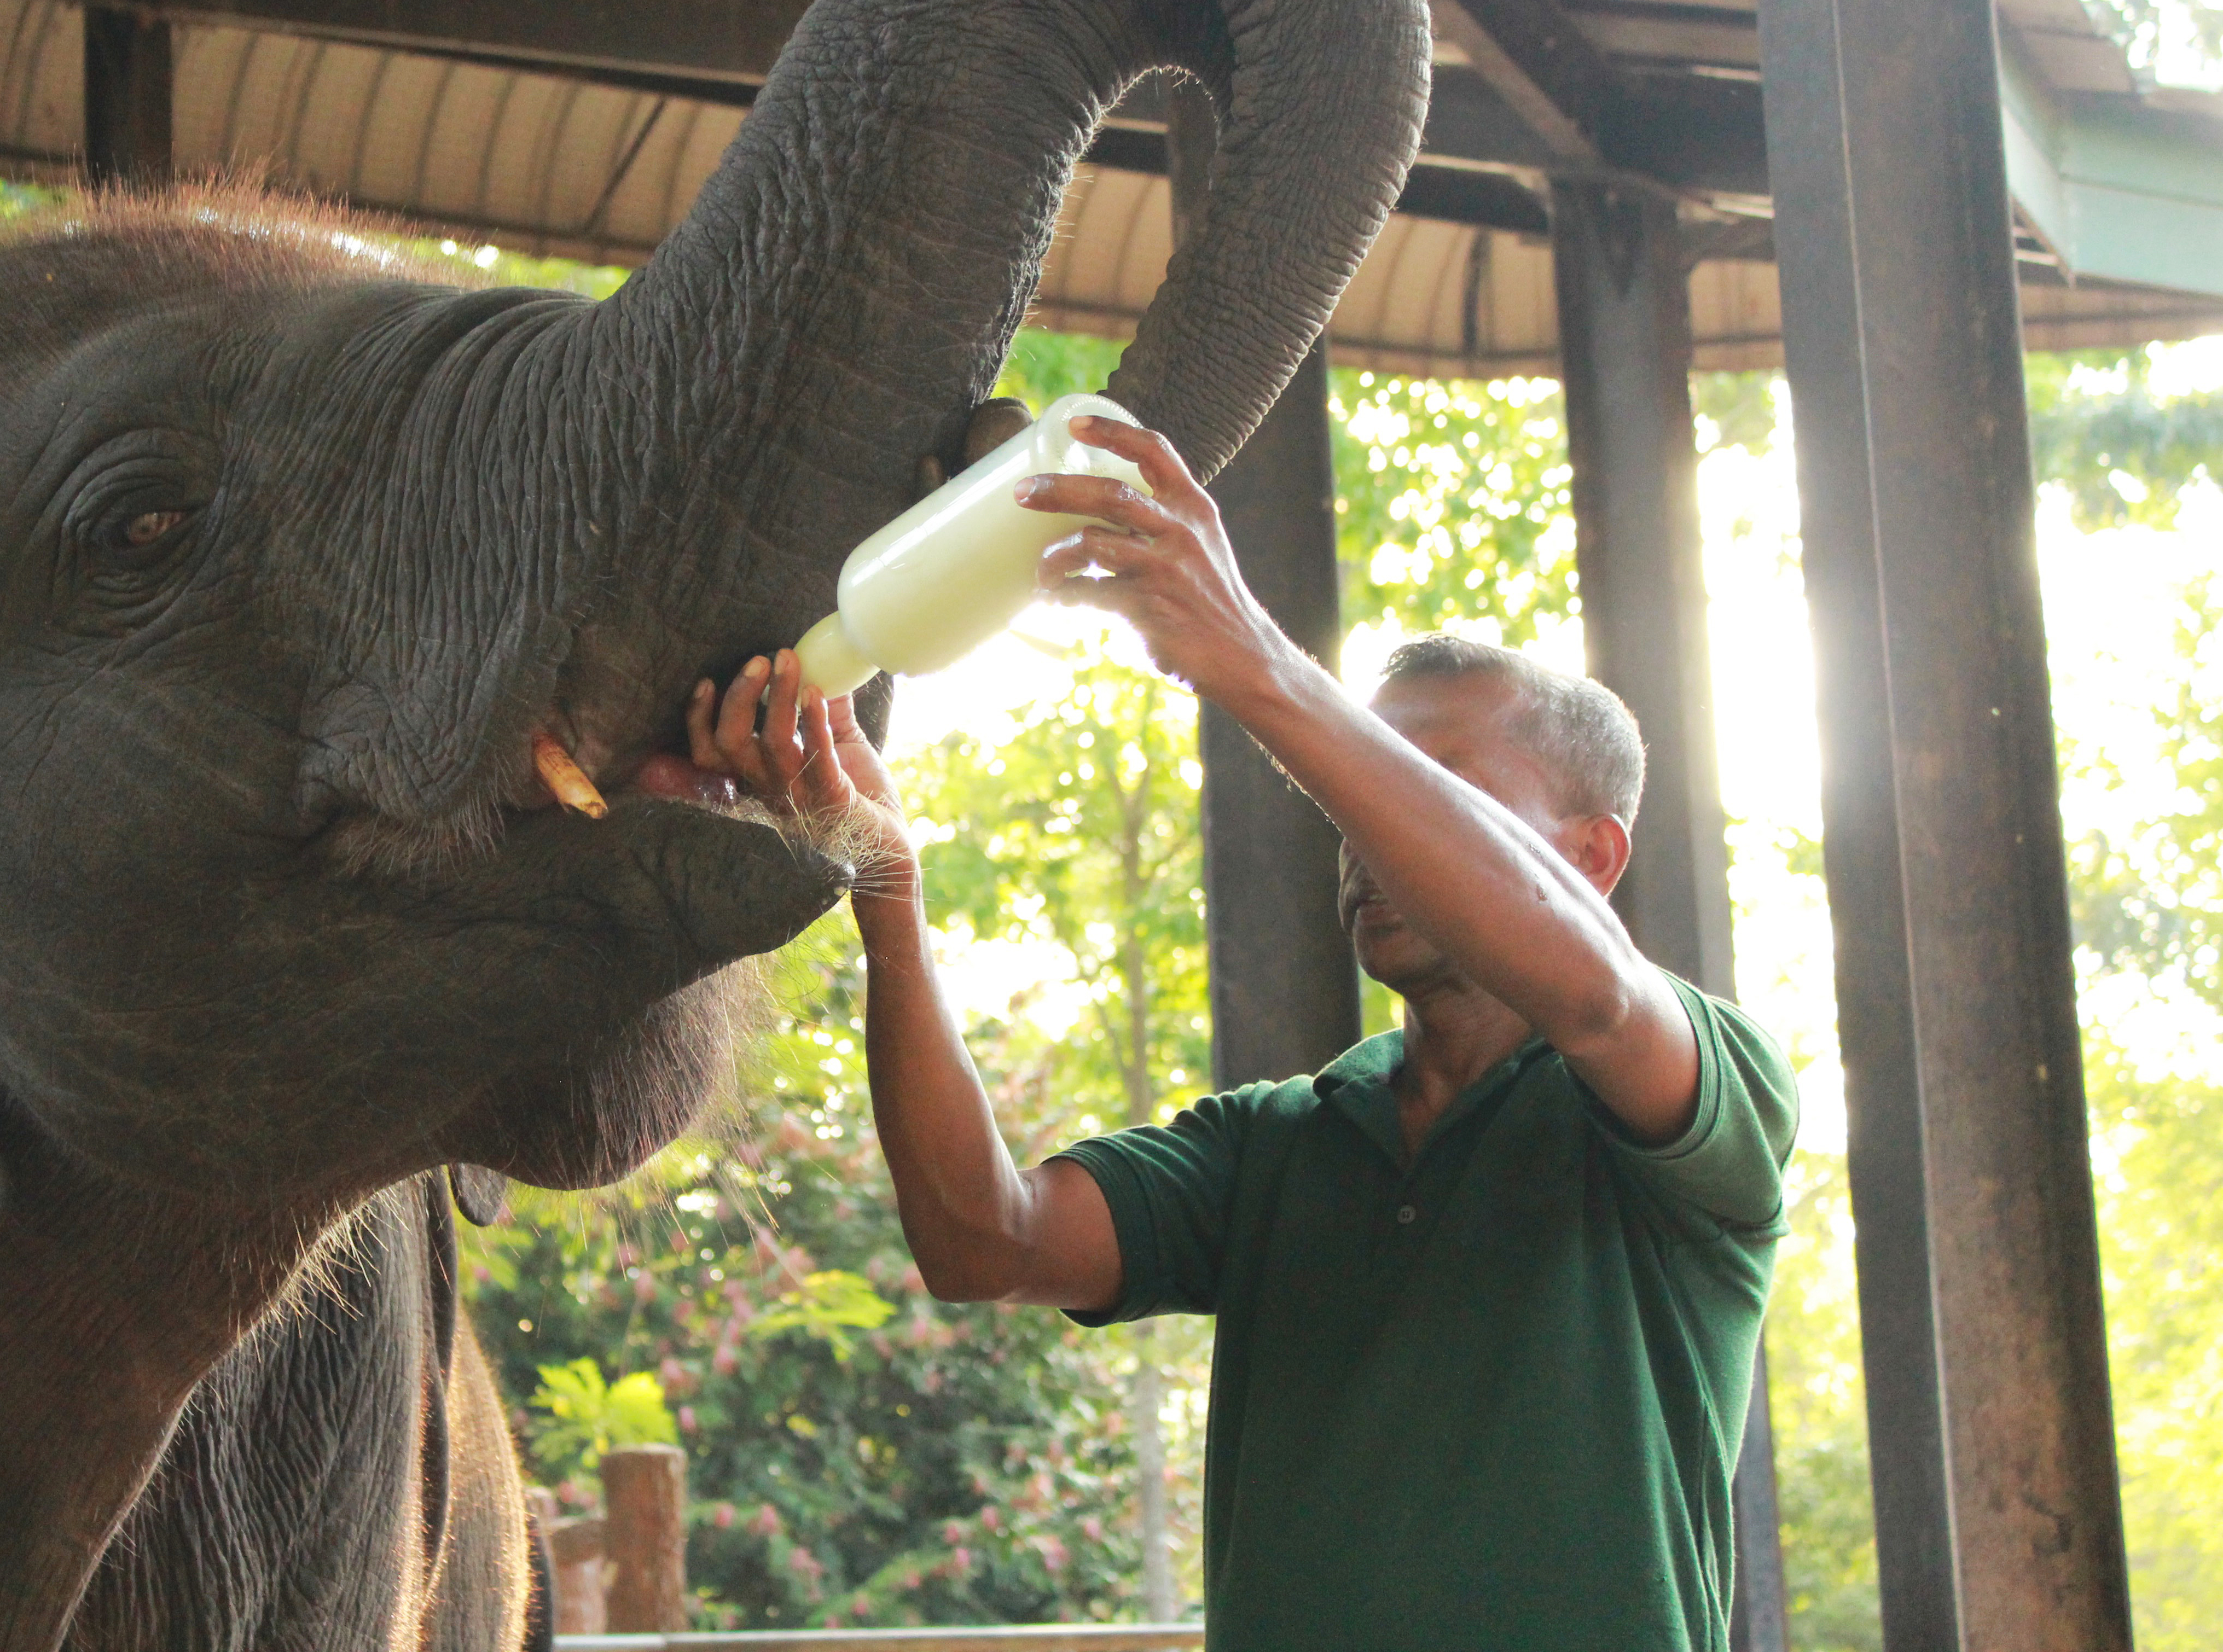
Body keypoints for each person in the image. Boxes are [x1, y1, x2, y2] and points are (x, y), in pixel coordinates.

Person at [684, 413, 1796, 1651]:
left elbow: (1592, 995)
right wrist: (888, 890)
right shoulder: (1277, 1145)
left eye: (1426, 784)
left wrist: (1257, 660)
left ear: (1594, 856)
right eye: (1352, 791)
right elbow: (981, 1243)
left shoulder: (1707, 1094)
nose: (1367, 828)